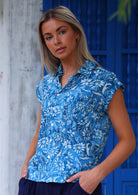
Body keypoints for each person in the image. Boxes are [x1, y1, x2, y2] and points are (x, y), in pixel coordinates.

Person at [18, 6, 136, 195]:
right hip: (34, 182)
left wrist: (96, 175)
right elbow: (40, 133)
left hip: (76, 186)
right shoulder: (45, 86)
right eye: (48, 37)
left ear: (76, 33)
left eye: (62, 32)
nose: (56, 41)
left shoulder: (104, 82)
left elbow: (128, 141)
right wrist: (25, 166)